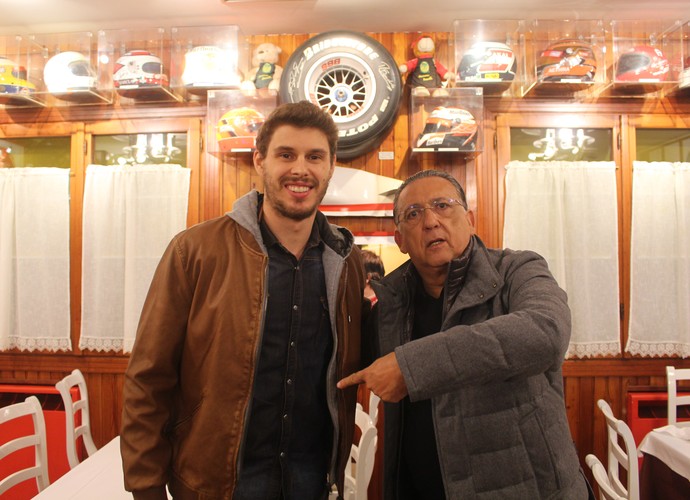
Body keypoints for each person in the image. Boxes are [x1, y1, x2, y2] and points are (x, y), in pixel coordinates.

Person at [121, 101, 368, 500]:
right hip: (217, 484)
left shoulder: (346, 260)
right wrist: (146, 486)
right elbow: (149, 377)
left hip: (313, 479)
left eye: (314, 156)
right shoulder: (195, 251)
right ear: (259, 160)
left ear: (331, 166)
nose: (300, 169)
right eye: (286, 155)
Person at [338, 170, 589, 499]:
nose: (430, 222)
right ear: (399, 239)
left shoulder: (516, 271)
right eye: (413, 214)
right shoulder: (391, 305)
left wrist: (411, 367)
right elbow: (340, 359)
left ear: (469, 220)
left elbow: (546, 332)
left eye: (442, 205)